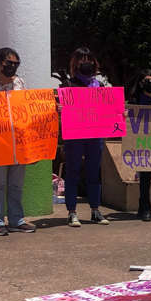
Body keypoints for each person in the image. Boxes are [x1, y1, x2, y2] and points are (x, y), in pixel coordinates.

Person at [0, 47, 36, 235]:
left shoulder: (20, 83)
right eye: (8, 63)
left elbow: (28, 109)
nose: (12, 67)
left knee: (17, 184)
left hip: (19, 143)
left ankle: (16, 219)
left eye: (16, 64)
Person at [62, 47, 109, 228]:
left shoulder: (100, 86)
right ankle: (72, 211)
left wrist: (119, 113)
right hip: (75, 135)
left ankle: (95, 210)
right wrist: (60, 109)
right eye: (82, 59)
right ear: (75, 63)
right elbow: (61, 108)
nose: (86, 62)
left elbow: (108, 109)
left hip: (95, 135)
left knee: (94, 172)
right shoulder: (68, 85)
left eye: (89, 59)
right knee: (72, 172)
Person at [129, 68, 151, 222]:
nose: (150, 83)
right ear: (141, 83)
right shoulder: (135, 100)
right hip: (140, 141)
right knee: (144, 175)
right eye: (146, 80)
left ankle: (144, 206)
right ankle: (145, 208)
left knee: (148, 176)